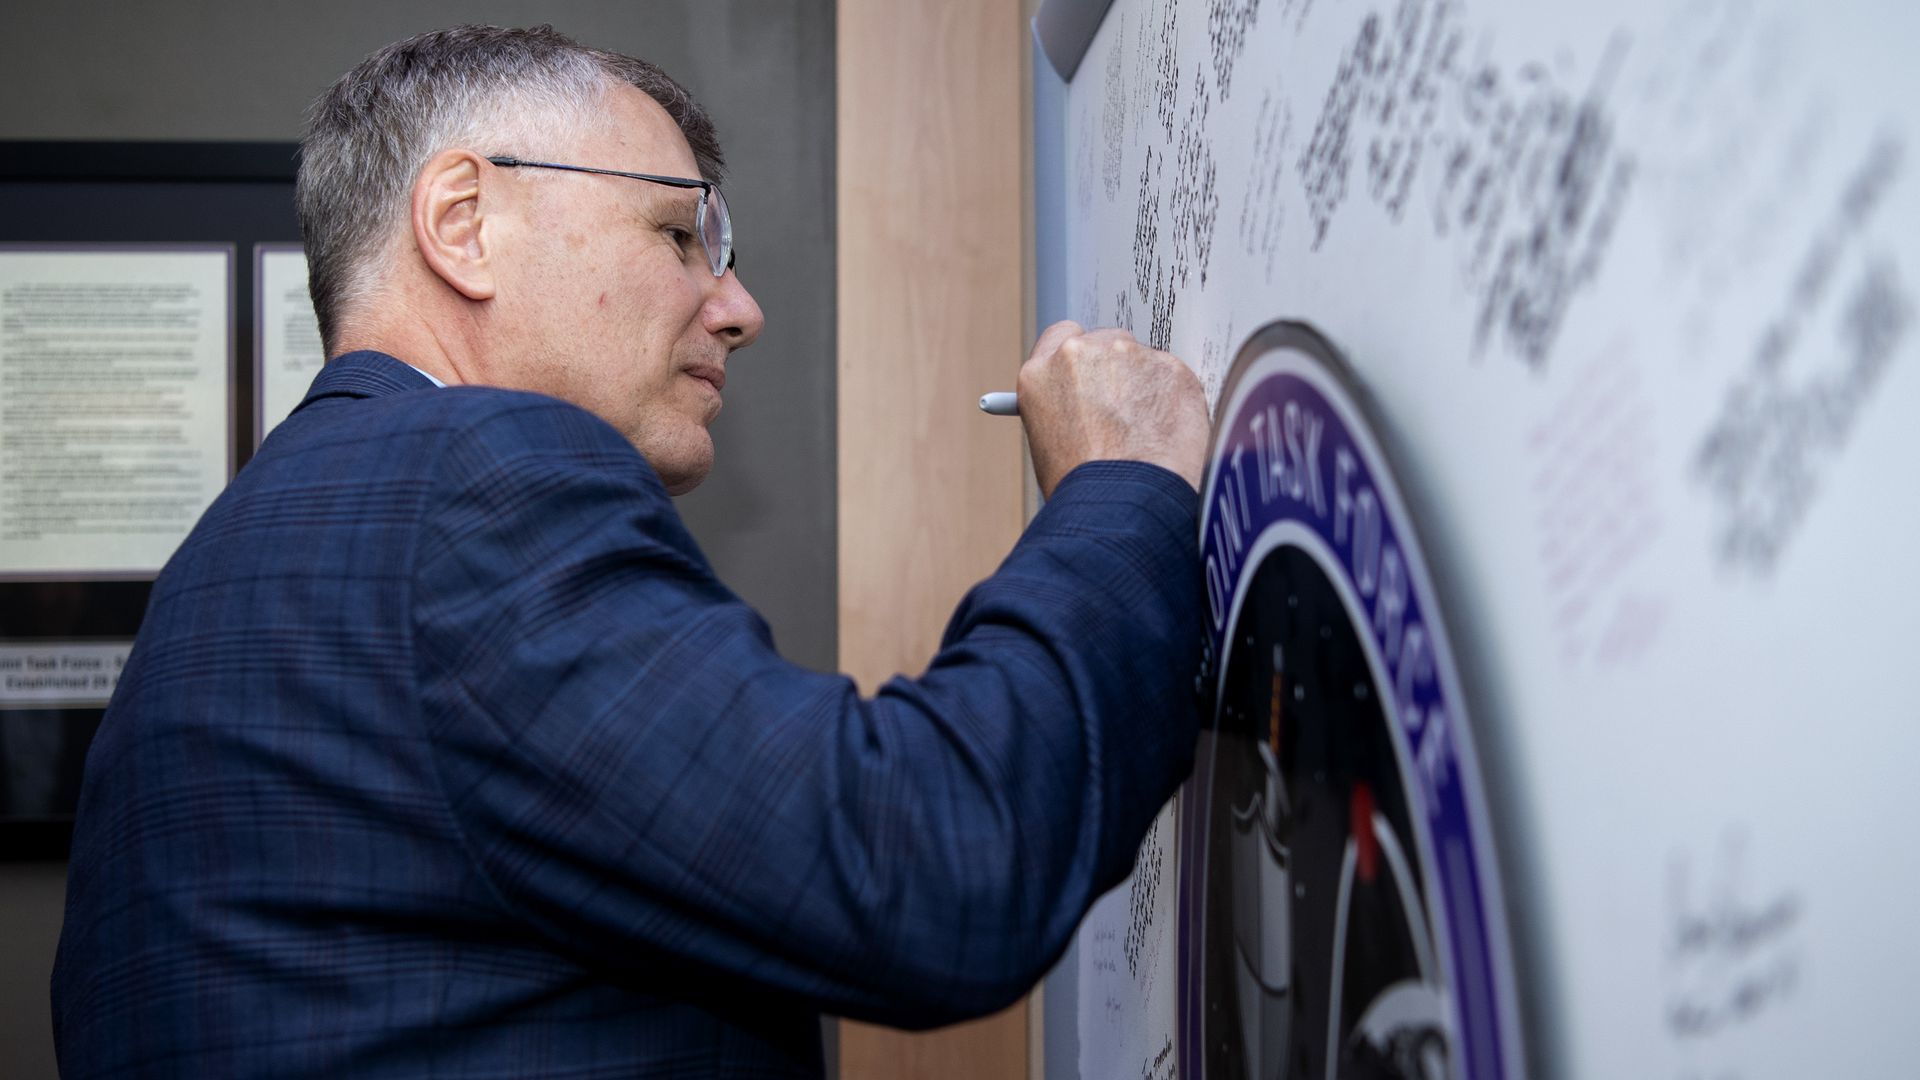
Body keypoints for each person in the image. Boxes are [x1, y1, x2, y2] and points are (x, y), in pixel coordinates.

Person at [51, 24, 1210, 1078]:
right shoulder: (474, 482)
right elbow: (937, 864)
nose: (740, 307)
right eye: (680, 232)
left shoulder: (242, 553)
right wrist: (1122, 487)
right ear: (463, 224)